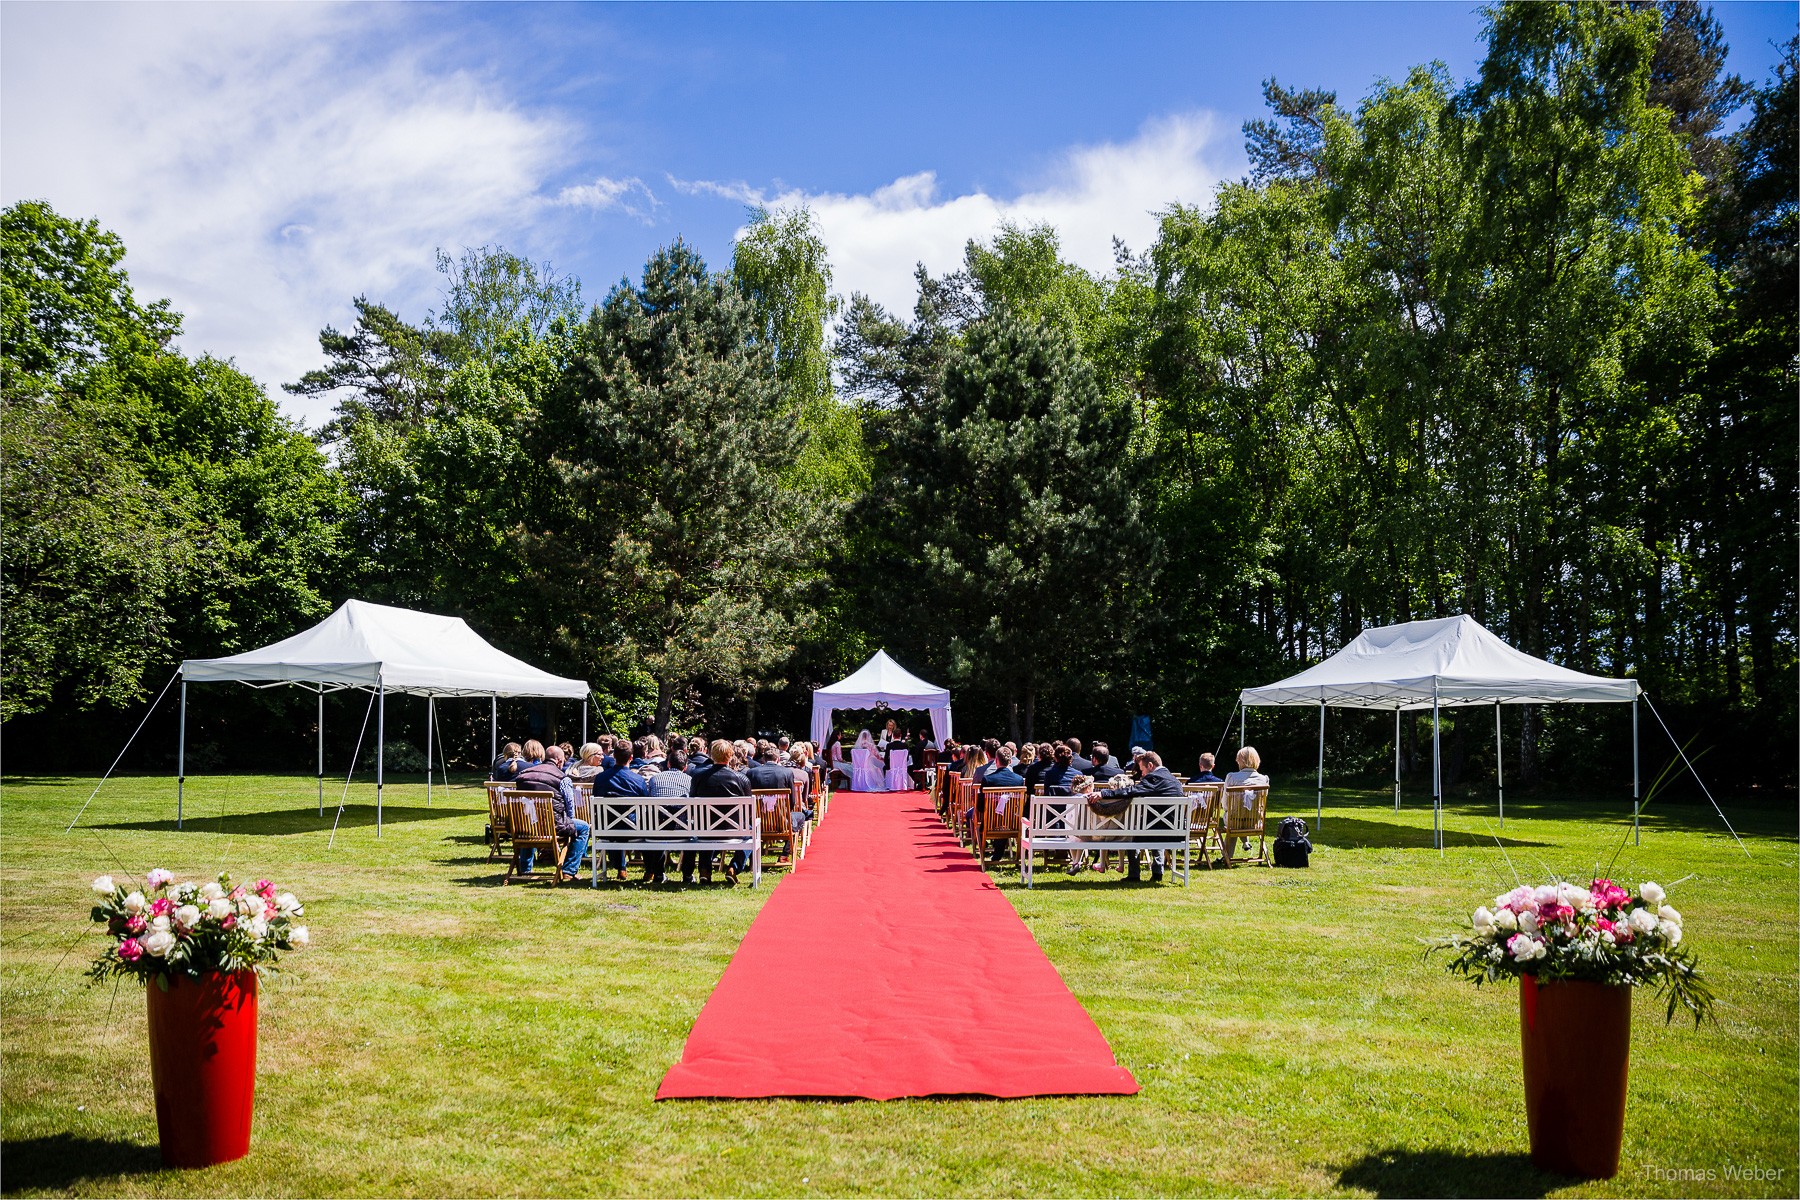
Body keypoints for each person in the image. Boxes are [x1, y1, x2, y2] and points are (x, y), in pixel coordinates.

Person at [1083, 750, 1183, 883]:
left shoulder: (1154, 778)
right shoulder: (1174, 780)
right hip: (1176, 832)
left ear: (1150, 766)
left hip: (1157, 830)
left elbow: (1132, 791)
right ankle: (1158, 872)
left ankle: (1134, 875)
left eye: (1142, 770)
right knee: (1153, 826)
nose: (1142, 774)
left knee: (1131, 833)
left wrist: (1104, 793)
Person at [511, 742, 589, 883]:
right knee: (584, 828)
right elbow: (570, 805)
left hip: (524, 824)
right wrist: (569, 822)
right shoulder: (562, 778)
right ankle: (568, 871)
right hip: (552, 824)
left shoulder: (523, 775)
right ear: (559, 760)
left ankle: (524, 868)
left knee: (530, 823)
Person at [685, 739, 753, 883]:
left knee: (706, 823)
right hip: (734, 830)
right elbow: (748, 811)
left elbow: (691, 804)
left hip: (705, 830)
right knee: (751, 832)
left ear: (710, 755)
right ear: (730, 755)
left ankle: (704, 869)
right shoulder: (741, 779)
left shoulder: (698, 777)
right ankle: (734, 867)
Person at [595, 740, 650, 879]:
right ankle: (650, 870)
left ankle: (621, 868)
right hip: (633, 828)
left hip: (606, 828)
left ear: (614, 757)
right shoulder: (638, 780)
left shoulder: (601, 778)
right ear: (631, 758)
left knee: (614, 821)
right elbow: (646, 803)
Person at [641, 747, 692, 883]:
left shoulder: (654, 780)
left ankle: (658, 874)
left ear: (668, 764)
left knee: (658, 822)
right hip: (682, 829)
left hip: (658, 828)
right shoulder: (689, 781)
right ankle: (687, 875)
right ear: (685, 766)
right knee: (693, 835)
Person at [972, 745, 1026, 861]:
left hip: (991, 823)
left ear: (996, 761)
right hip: (1012, 823)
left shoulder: (988, 779)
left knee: (989, 818)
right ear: (1010, 761)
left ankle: (993, 853)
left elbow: (980, 806)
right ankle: (998, 854)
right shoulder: (1019, 780)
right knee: (1003, 818)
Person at [1221, 746, 1272, 865]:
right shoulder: (1264, 779)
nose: (1236, 761)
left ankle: (1227, 857)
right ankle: (1232, 853)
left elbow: (1225, 803)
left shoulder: (1232, 777)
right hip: (1255, 822)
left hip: (1233, 821)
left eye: (1238, 759)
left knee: (1233, 821)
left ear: (1242, 760)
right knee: (1238, 819)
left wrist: (1229, 811)